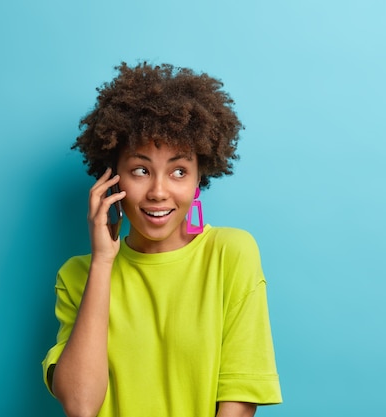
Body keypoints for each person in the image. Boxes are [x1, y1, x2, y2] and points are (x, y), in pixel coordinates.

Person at [42, 62, 282, 417]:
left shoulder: (230, 254)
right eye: (140, 170)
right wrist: (103, 262)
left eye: (178, 171)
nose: (158, 191)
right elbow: (80, 406)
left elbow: (238, 402)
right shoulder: (78, 276)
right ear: (112, 180)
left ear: (199, 178)